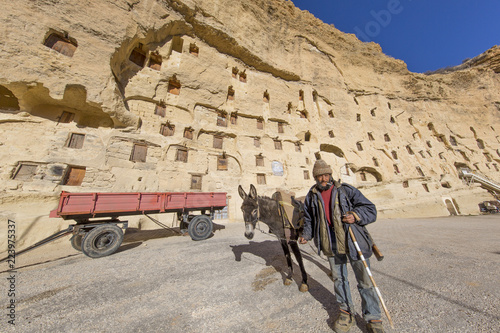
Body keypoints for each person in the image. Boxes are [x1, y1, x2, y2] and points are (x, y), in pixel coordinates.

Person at [299, 159, 384, 333]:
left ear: (330, 174)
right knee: (339, 280)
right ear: (315, 177)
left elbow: (370, 209)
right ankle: (346, 313)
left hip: (354, 242)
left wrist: (355, 215)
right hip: (330, 244)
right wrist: (306, 234)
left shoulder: (345, 190)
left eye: (326, 175)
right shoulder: (312, 195)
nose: (323, 179)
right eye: (319, 176)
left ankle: (373, 317)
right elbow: (309, 219)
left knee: (365, 281)